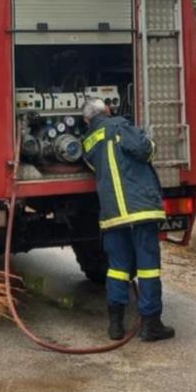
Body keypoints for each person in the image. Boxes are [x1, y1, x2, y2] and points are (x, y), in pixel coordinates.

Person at [81, 97, 175, 342]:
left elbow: (98, 167)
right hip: (140, 209)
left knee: (117, 269)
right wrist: (149, 140)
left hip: (113, 215)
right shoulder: (120, 126)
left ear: (86, 121)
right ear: (109, 110)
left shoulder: (88, 143)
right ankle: (151, 324)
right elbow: (144, 151)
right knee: (148, 267)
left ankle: (115, 326)